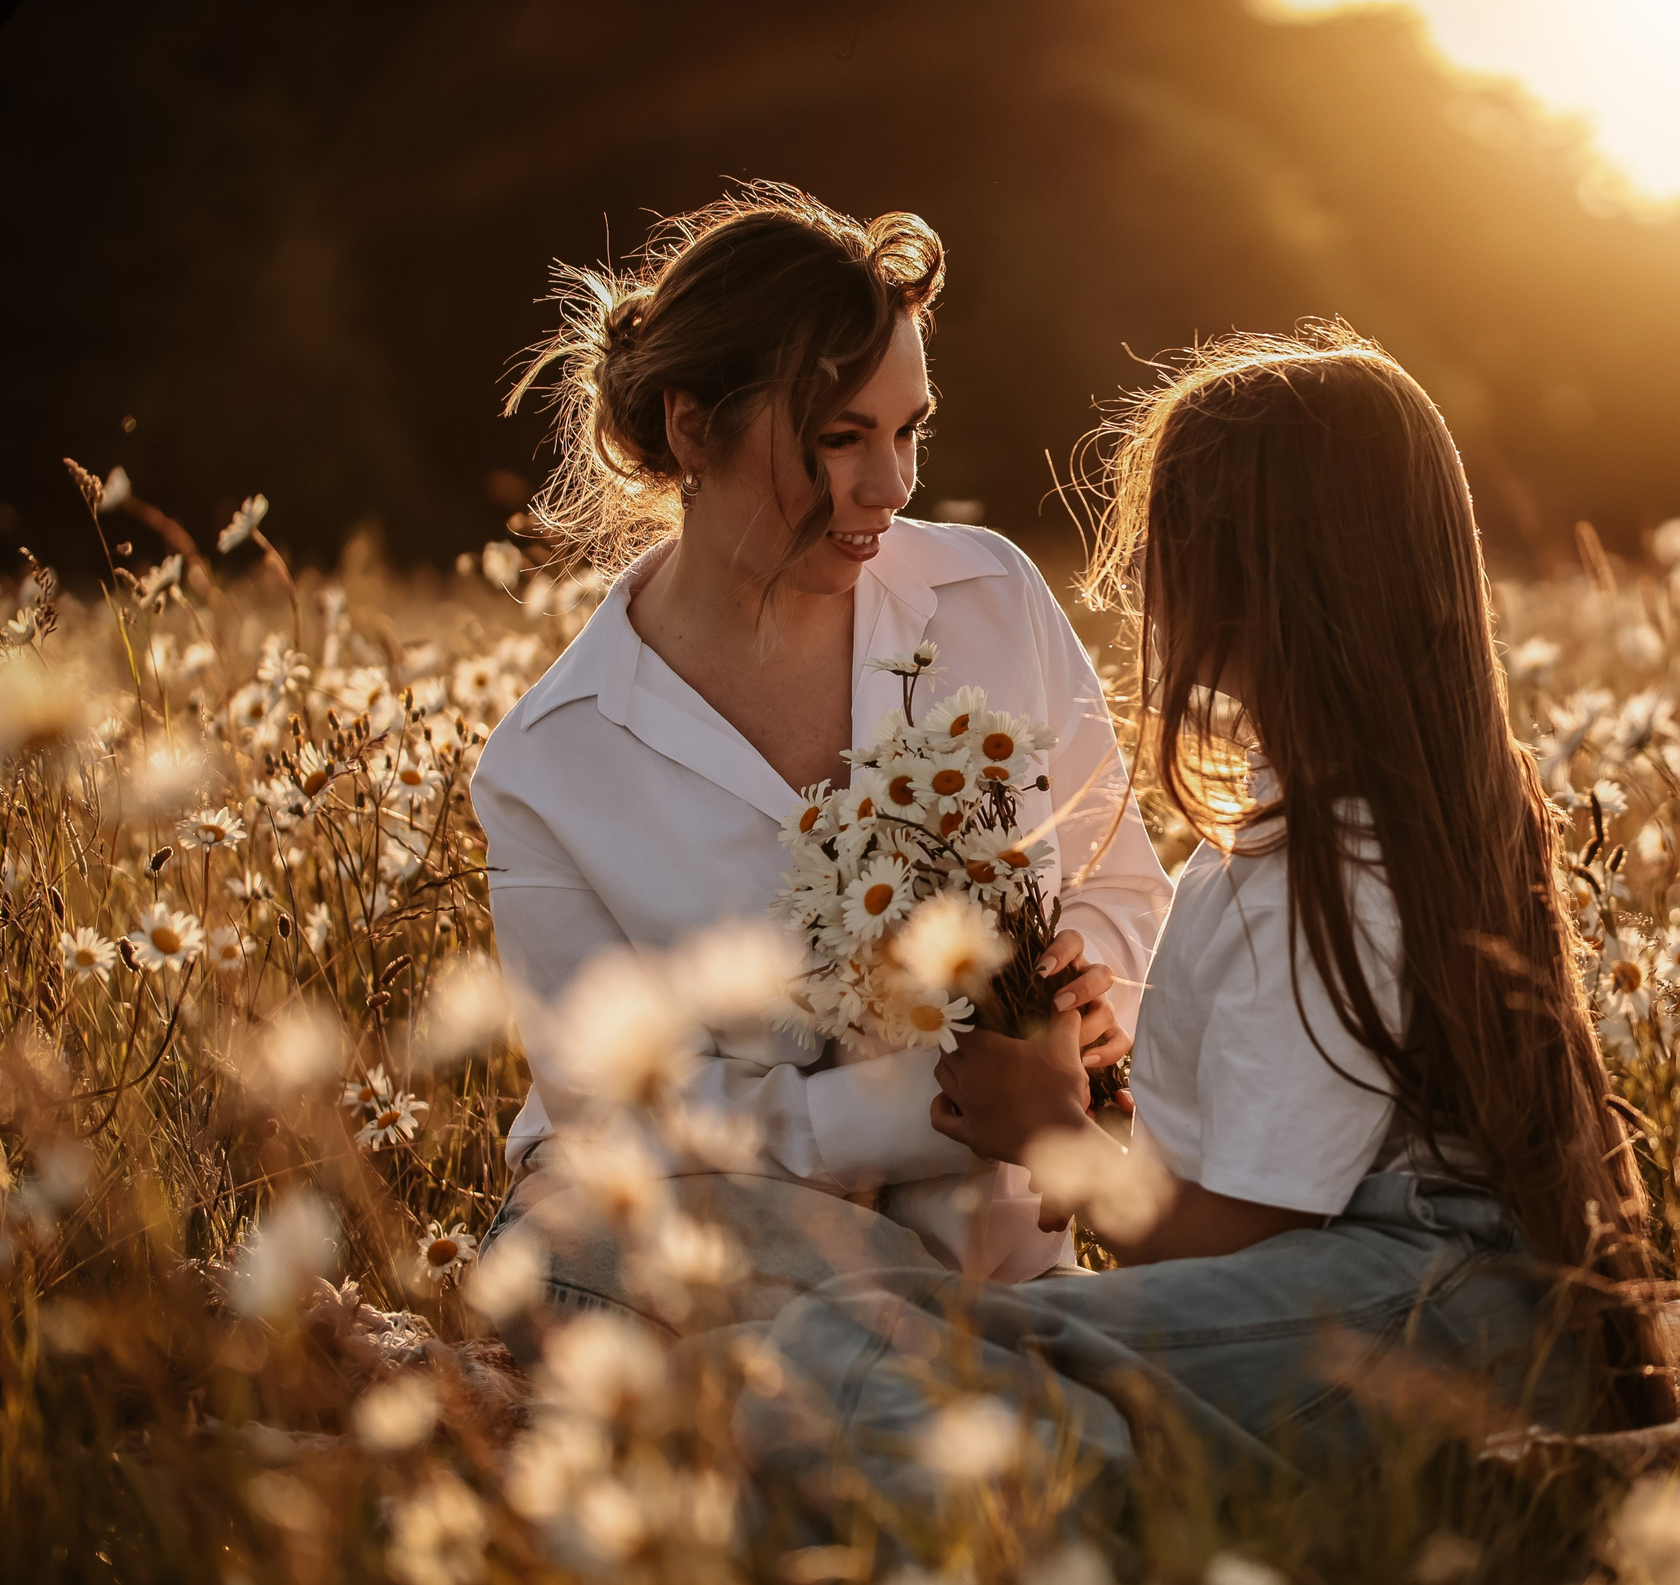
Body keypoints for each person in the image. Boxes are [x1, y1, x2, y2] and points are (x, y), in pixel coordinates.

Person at [742, 327, 1677, 1497]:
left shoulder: (1334, 861)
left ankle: (1166, 1569)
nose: (1134, 580)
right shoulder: (1366, 824)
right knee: (865, 1341)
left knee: (849, 1353)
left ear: (1266, 582)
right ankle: (1222, 1516)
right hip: (1426, 1314)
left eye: (1160, 544)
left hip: (1422, 1319)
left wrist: (1051, 1139)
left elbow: (1238, 1239)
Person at [471, 184, 1171, 1304]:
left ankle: (970, 1372)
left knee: (905, 1361)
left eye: (907, 431)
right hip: (676, 1242)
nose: (890, 486)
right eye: (840, 439)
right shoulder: (552, 766)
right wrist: (937, 1105)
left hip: (990, 1249)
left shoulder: (988, 598)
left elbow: (1122, 881)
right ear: (693, 428)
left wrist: (1087, 998)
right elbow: (624, 1118)